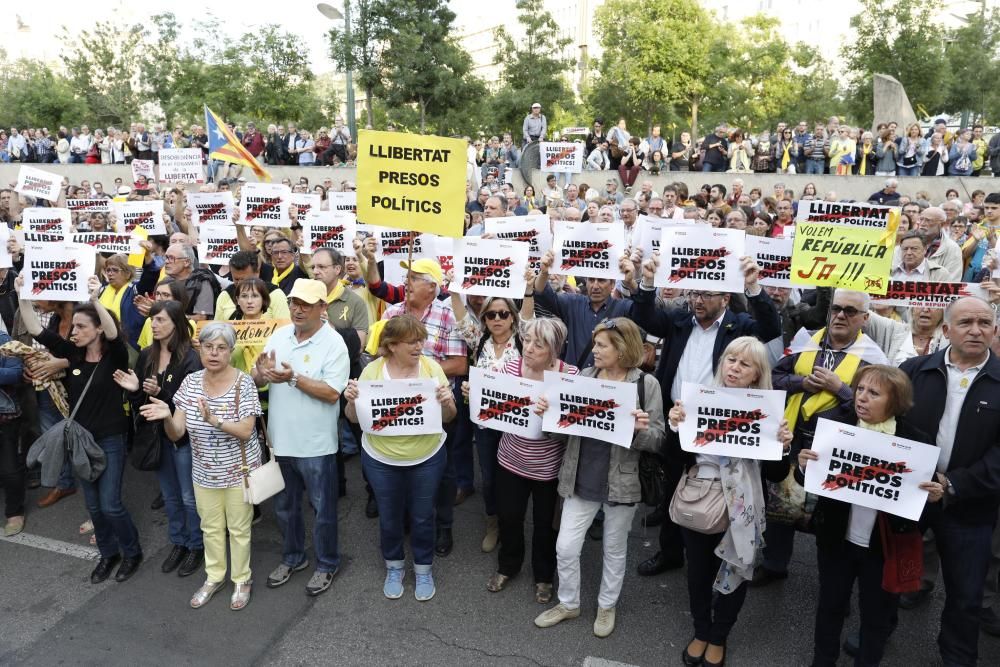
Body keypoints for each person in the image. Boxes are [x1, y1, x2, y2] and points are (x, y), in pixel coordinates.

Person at [627, 251, 781, 577]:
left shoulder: (739, 327)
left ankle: (717, 556)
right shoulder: (680, 320)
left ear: (725, 297)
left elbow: (770, 328)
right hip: (678, 418)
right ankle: (671, 552)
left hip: (719, 423)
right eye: (694, 292)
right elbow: (643, 316)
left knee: (719, 489)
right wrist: (647, 282)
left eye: (706, 294)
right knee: (675, 484)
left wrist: (753, 287)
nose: (698, 299)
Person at [798, 365, 941, 666]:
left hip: (884, 549)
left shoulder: (917, 442)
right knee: (830, 607)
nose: (861, 398)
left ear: (895, 401)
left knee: (876, 618)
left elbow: (924, 514)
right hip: (836, 540)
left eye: (873, 393)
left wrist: (932, 497)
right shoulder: (834, 424)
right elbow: (808, 481)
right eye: (860, 389)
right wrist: (803, 465)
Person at [533, 317, 665, 638]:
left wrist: (639, 430)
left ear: (621, 349)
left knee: (614, 549)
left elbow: (659, 438)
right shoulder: (584, 378)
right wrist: (548, 415)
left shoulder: (645, 385)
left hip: (622, 481)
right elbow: (562, 433)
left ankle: (607, 605)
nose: (594, 350)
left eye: (601, 345)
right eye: (596, 344)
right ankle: (569, 602)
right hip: (581, 477)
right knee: (565, 547)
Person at [670, 337, 793, 667]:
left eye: (745, 364)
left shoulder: (767, 413)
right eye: (730, 360)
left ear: (756, 374)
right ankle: (701, 630)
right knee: (698, 571)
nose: (735, 368)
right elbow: (675, 457)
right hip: (699, 500)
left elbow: (778, 473)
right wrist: (676, 426)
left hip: (744, 506)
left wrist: (783, 444)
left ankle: (719, 636)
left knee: (736, 570)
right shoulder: (697, 401)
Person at [18, 274, 142, 584]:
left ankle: (131, 551)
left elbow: (114, 335)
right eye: (74, 327)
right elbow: (36, 329)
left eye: (82, 326)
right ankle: (108, 553)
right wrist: (22, 294)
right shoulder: (71, 354)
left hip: (111, 439)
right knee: (94, 506)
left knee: (111, 505)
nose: (75, 331)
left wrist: (96, 300)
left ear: (98, 328)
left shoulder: (113, 355)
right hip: (80, 441)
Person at [898, 297, 1000, 666]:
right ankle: (874, 636)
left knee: (965, 594)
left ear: (994, 330)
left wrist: (953, 484)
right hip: (908, 497)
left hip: (969, 508)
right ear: (946, 330)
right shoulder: (913, 370)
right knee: (889, 575)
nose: (976, 330)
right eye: (966, 322)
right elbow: (879, 418)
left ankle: (958, 657)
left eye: (984, 323)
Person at [140, 322, 262, 610]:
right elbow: (177, 433)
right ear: (200, 349)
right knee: (210, 528)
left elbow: (247, 430)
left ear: (231, 351)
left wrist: (213, 420)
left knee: (239, 528)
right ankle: (215, 576)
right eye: (208, 347)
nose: (214, 353)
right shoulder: (191, 382)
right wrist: (167, 417)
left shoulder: (244, 382)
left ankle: (242, 579)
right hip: (204, 471)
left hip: (238, 472)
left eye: (221, 347)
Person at [762, 289, 874, 585]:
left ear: (864, 318)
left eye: (850, 311)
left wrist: (841, 389)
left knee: (831, 516)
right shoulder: (804, 342)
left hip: (838, 447)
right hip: (794, 436)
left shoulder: (872, 356)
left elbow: (877, 407)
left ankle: (834, 582)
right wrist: (802, 383)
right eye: (836, 308)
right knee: (781, 504)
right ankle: (774, 564)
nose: (840, 315)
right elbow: (773, 379)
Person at [344, 315, 457, 601]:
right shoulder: (372, 371)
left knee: (422, 517)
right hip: (381, 459)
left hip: (427, 457)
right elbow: (354, 420)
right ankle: (394, 566)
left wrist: (446, 403)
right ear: (392, 345)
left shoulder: (431, 369)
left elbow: (450, 417)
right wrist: (351, 401)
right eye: (412, 341)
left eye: (421, 339)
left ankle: (423, 568)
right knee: (390, 517)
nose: (420, 346)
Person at [253, 279, 350, 597]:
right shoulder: (280, 334)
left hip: (316, 445)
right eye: (295, 301)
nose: (297, 308)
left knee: (322, 510)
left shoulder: (334, 344)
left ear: (323, 308)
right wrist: (258, 372)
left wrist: (293, 377)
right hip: (281, 442)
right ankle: (293, 557)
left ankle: (326, 563)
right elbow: (260, 378)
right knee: (285, 507)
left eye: (306, 304)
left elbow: (332, 393)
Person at [469, 318, 576, 603]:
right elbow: (493, 405)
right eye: (526, 341)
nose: (528, 348)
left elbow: (574, 429)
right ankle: (508, 566)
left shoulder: (569, 375)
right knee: (510, 518)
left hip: (549, 469)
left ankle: (543, 576)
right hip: (511, 461)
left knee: (545, 525)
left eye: (538, 345)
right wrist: (477, 395)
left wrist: (553, 416)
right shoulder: (511, 367)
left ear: (554, 350)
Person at [114, 301, 203, 577]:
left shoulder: (191, 358)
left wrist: (161, 393)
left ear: (176, 323)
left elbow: (190, 404)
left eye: (160, 320)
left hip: (183, 437)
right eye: (152, 320)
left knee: (189, 497)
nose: (153, 325)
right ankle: (178, 541)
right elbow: (143, 402)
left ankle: (196, 545)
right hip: (156, 436)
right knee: (170, 495)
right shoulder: (146, 355)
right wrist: (135, 390)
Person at [453, 289, 531, 553]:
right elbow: (462, 318)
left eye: (503, 313)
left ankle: (511, 524)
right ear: (484, 319)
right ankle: (492, 521)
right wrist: (454, 290)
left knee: (511, 478)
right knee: (488, 478)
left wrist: (529, 290)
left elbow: (530, 318)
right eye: (490, 314)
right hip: (485, 424)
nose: (497, 319)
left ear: (512, 317)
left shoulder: (524, 340)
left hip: (514, 424)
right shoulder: (479, 341)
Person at [0, 328, 24, 536]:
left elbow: (16, 373)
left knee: (9, 468)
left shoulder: (4, 340)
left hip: (4, 415)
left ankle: (14, 513)